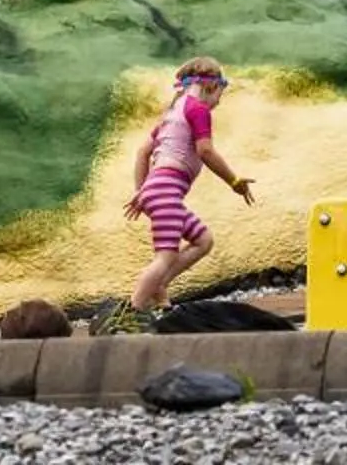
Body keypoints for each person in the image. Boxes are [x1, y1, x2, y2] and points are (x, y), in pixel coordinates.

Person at [97, 57, 255, 334]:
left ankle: (162, 300)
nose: (219, 100)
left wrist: (141, 191)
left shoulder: (171, 114)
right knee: (165, 257)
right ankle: (132, 311)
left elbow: (143, 152)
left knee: (203, 239)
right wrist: (233, 180)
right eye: (220, 91)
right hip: (167, 189)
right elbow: (205, 151)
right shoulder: (198, 110)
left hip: (157, 188)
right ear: (209, 85)